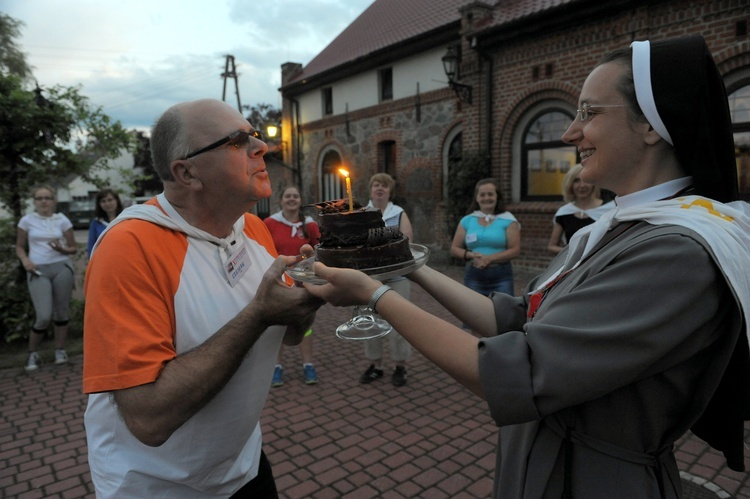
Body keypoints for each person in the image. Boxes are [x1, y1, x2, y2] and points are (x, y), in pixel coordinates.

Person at [305, 35, 750, 498]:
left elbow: (516, 371)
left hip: (593, 478)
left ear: (653, 126)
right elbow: (517, 317)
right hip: (550, 459)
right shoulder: (618, 227)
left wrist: (373, 294)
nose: (569, 133)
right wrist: (405, 265)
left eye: (590, 113)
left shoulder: (677, 253)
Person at [82, 98, 324, 498]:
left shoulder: (253, 229)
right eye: (236, 141)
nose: (261, 147)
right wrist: (258, 315)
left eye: (255, 136)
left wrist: (306, 304)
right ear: (187, 171)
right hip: (159, 487)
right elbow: (148, 419)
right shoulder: (129, 247)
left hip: (243, 466)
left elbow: (291, 337)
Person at [359, 173, 414, 387]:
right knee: (370, 322)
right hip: (370, 278)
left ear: (390, 191)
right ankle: (376, 365)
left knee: (400, 322)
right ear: (371, 190)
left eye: (384, 186)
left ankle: (400, 366)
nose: (379, 189)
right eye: (376, 185)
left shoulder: (398, 213)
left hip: (396, 277)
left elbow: (407, 241)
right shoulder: (362, 213)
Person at [263, 185, 321, 386]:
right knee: (278, 325)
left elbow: (319, 250)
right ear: (281, 200)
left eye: (295, 196)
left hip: (303, 284)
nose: (291, 199)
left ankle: (308, 364)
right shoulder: (269, 223)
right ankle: (276, 366)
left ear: (299, 201)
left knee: (304, 325)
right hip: (279, 282)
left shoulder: (310, 225)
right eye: (287, 196)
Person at [15, 185, 77, 371]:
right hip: (37, 269)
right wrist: (25, 260)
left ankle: (60, 350)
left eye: (47, 198)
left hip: (61, 268)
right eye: (39, 198)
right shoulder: (26, 220)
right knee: (43, 315)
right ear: (34, 201)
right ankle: (32, 353)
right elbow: (19, 247)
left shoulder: (62, 220)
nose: (44, 201)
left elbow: (73, 248)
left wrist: (62, 249)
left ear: (54, 201)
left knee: (62, 312)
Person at [450, 178, 520, 296]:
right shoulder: (467, 220)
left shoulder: (508, 220)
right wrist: (471, 255)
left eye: (490, 194)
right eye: (482, 195)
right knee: (473, 312)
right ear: (477, 198)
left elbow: (515, 250)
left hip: (501, 276)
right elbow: (454, 249)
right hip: (473, 275)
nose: (486, 198)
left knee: (503, 312)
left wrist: (489, 259)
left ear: (497, 197)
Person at [547, 164, 614, 254]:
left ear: (594, 183)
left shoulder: (609, 210)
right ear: (570, 185)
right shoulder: (564, 213)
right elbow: (552, 246)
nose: (582, 185)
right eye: (576, 181)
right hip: (571, 265)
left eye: (586, 180)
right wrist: (574, 253)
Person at [86, 188, 124, 257]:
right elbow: (91, 246)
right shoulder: (96, 223)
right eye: (103, 201)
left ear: (117, 201)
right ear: (99, 204)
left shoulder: (125, 219)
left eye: (110, 200)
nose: (107, 204)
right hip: (103, 259)